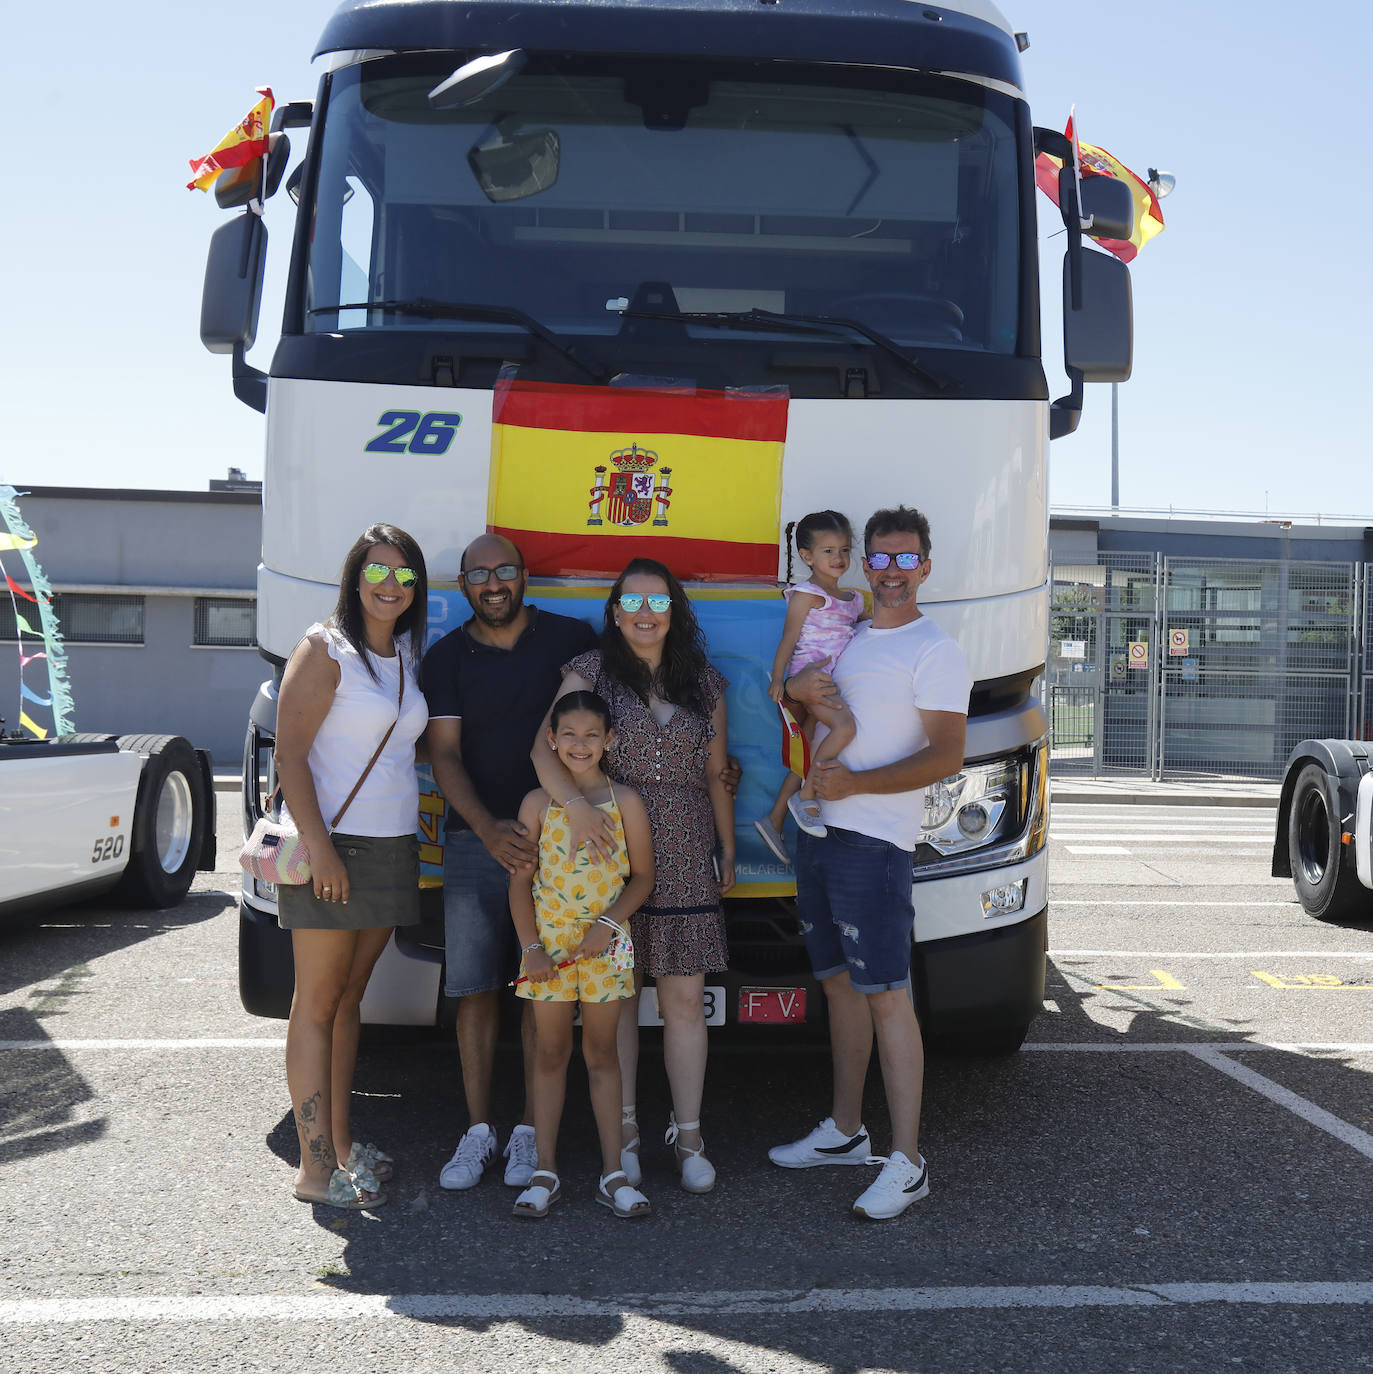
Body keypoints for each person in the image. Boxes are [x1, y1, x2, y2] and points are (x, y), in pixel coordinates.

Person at [769, 505, 971, 1220]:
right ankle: (846, 1133)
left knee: (887, 995)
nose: (889, 570)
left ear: (924, 565)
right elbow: (803, 692)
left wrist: (854, 784)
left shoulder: (934, 649)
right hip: (818, 834)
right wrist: (794, 690)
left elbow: (946, 755)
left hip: (874, 843)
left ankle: (908, 1161)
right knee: (838, 988)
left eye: (903, 558)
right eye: (878, 559)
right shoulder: (849, 635)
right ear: (865, 565)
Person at [535, 557, 734, 1195]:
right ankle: (622, 1134)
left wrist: (727, 845)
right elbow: (545, 748)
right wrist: (573, 809)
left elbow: (713, 772)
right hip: (605, 844)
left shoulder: (704, 681)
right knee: (613, 1002)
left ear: (674, 611)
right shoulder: (586, 671)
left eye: (658, 602)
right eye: (632, 601)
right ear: (615, 610)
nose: (645, 614)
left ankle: (690, 1136)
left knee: (682, 1001)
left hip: (682, 846)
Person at [421, 534, 598, 1192]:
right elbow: (443, 754)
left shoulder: (571, 640)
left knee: (539, 986)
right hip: (475, 842)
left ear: (524, 576)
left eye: (503, 571)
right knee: (472, 992)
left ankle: (528, 1132)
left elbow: (603, 728)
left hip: (556, 849)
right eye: (478, 574)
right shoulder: (444, 658)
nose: (492, 583)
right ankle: (477, 1133)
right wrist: (488, 828)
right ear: (463, 584)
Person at [275, 524, 430, 1209]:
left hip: (393, 845)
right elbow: (290, 755)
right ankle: (313, 1171)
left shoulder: (401, 654)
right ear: (355, 578)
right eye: (378, 572)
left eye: (404, 575)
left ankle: (339, 1148)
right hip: (335, 847)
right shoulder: (324, 647)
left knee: (347, 1003)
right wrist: (323, 849)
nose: (391, 585)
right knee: (315, 1004)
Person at [507, 691, 656, 1219]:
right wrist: (531, 949)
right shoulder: (537, 804)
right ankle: (545, 1169)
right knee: (549, 1054)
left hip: (606, 951)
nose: (579, 744)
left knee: (602, 1055)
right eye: (568, 734)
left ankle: (613, 1172)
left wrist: (609, 926)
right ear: (552, 740)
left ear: (609, 740)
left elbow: (643, 877)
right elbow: (520, 884)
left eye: (592, 735)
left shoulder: (626, 803)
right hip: (547, 952)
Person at [754, 510, 865, 862]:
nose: (838, 558)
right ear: (807, 556)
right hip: (813, 680)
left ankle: (773, 819)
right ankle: (807, 796)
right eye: (828, 551)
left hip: (835, 683)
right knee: (844, 728)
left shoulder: (855, 600)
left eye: (844, 550)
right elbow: (788, 638)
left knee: (806, 754)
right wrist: (778, 679)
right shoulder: (806, 594)